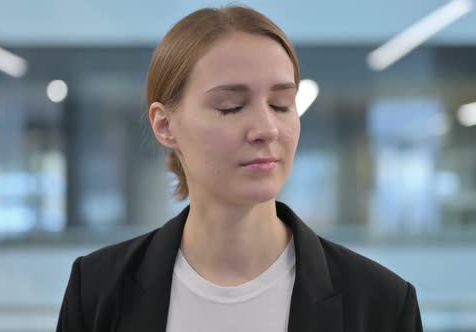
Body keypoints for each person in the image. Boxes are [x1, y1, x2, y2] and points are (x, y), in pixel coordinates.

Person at [56, 5, 423, 332]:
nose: (267, 129)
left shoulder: (381, 304)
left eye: (281, 104)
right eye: (231, 106)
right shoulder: (98, 290)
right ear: (165, 126)